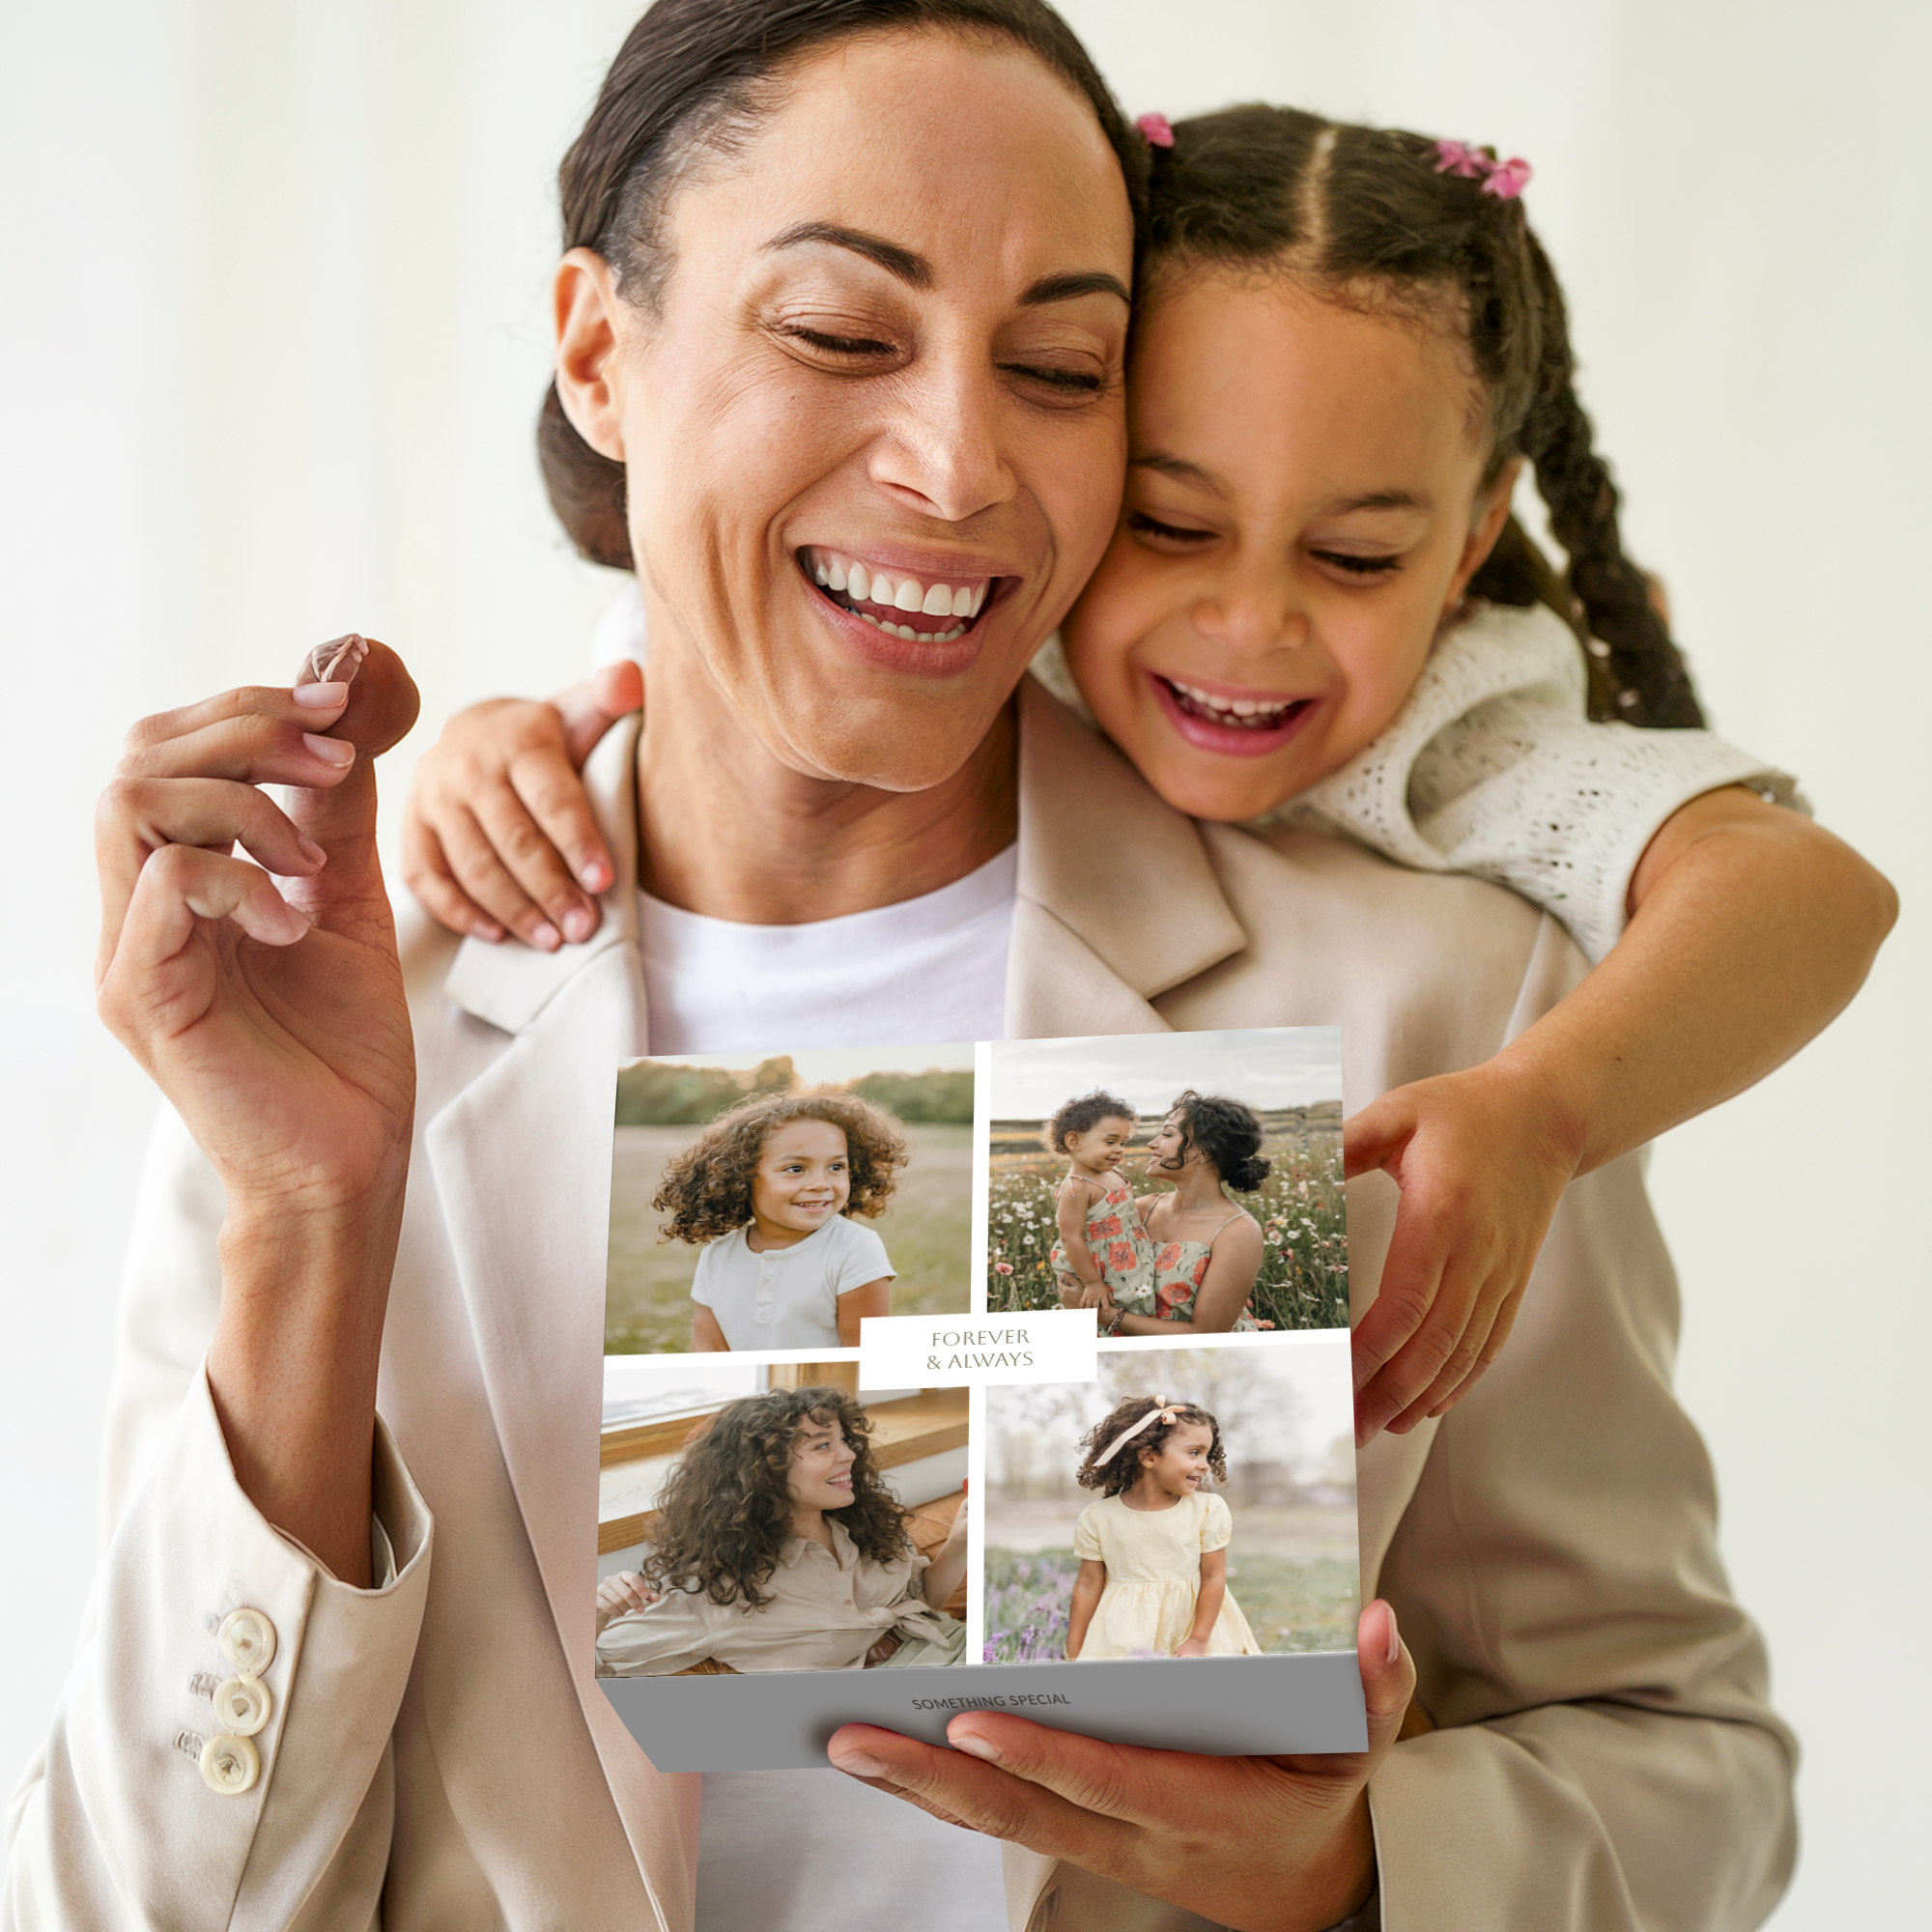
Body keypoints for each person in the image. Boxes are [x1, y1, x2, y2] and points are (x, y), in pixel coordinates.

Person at [19, 4, 1825, 1928]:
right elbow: (129, 1903)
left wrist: (1358, 1869)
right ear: (596, 350)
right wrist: (307, 1215)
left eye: (1060, 364)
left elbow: (1687, 1758)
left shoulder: (1439, 1007)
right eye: (838, 331)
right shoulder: (342, 1011)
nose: (961, 463)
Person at [407, 106, 1899, 1439]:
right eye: (1169, 525)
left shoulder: (1455, 735)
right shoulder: (978, 595)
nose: (1251, 627)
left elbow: (1812, 885)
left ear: (1471, 541)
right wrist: (500, 740)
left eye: (1359, 556)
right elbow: (686, 652)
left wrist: (1545, 1106)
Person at [594, 1386, 968, 1673]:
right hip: (920, 1694)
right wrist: (597, 1609)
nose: (849, 1455)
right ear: (763, 1471)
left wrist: (961, 1539)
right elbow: (594, 1664)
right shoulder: (711, 1594)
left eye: (843, 1441)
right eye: (823, 1446)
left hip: (967, 1647)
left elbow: (925, 1601)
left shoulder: (864, 1524)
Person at [654, 1091, 903, 1350]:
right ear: (740, 1176)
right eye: (795, 1168)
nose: (821, 1183)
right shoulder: (716, 1256)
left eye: (836, 1167)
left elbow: (864, 1357)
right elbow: (708, 1351)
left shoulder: (855, 1248)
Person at [1065, 1396, 1261, 1662]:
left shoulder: (1206, 1510)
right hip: (1125, 1635)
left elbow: (1214, 1577)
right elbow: (1088, 1585)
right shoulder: (1098, 1518)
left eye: (1207, 1454)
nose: (1205, 1464)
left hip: (1194, 1631)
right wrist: (1075, 1650)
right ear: (1149, 1457)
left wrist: (1198, 1639)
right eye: (1194, 1452)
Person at [1106, 1090, 1267, 1336]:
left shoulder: (1238, 1231)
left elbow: (1207, 1332)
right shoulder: (1139, 1210)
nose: (1153, 1143)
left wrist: (1104, 1316)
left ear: (1205, 1150)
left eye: (1168, 1134)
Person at [1042, 1089, 1152, 1314]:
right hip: (1099, 1266)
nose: (1119, 1150)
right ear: (1074, 1141)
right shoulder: (1077, 1187)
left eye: (1123, 1143)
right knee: (1110, 1306)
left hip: (1129, 1255)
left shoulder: (1114, 1174)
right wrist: (1093, 1283)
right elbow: (1070, 1237)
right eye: (1111, 1141)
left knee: (1139, 1301)